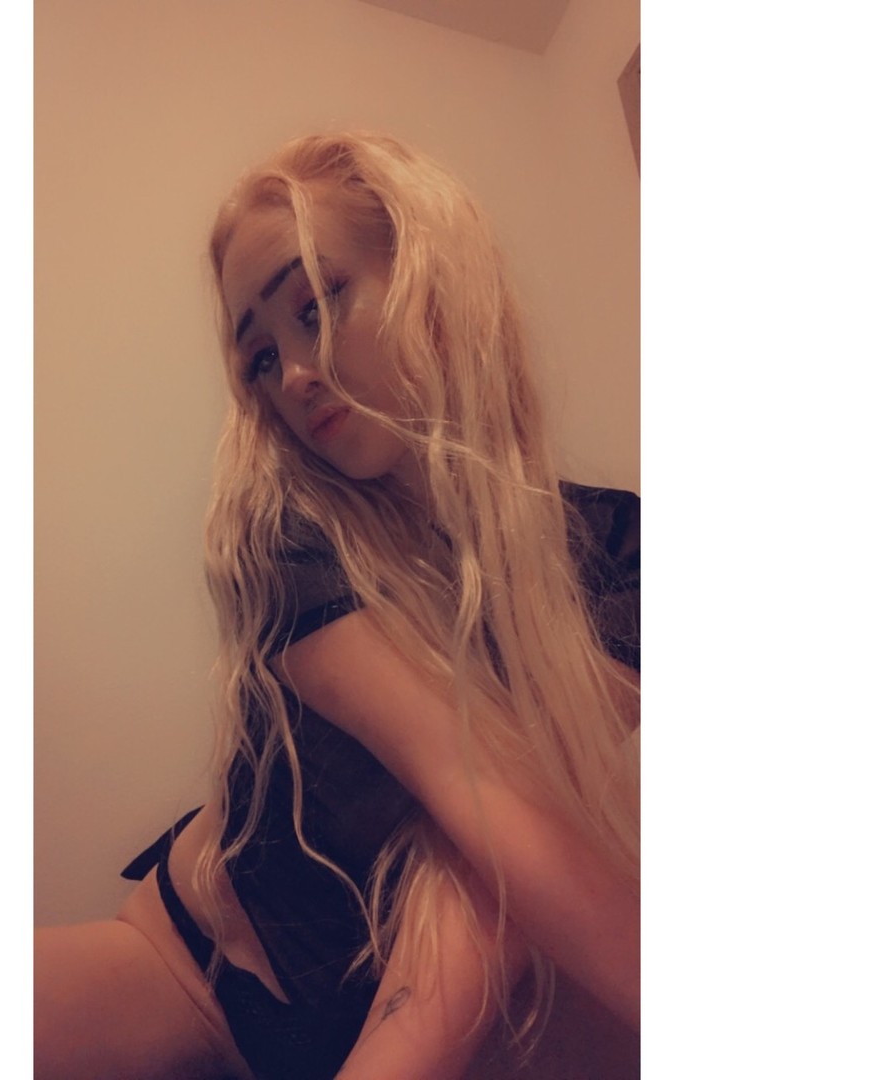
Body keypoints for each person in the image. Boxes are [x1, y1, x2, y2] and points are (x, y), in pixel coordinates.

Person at [35, 132, 640, 1080]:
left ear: (429, 273)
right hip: (187, 961)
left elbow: (517, 839)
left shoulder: (614, 547)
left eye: (315, 306)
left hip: (409, 969)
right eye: (260, 357)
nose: (293, 375)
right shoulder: (290, 529)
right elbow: (462, 777)